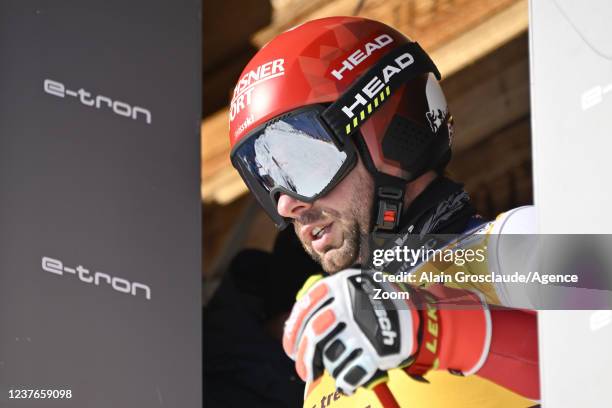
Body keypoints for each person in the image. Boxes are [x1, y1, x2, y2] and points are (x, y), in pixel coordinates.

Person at [228, 16, 539, 407]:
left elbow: (596, 353)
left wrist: (434, 330)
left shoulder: (511, 242)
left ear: (390, 136)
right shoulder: (326, 362)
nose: (287, 204)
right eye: (266, 179)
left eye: (303, 161)